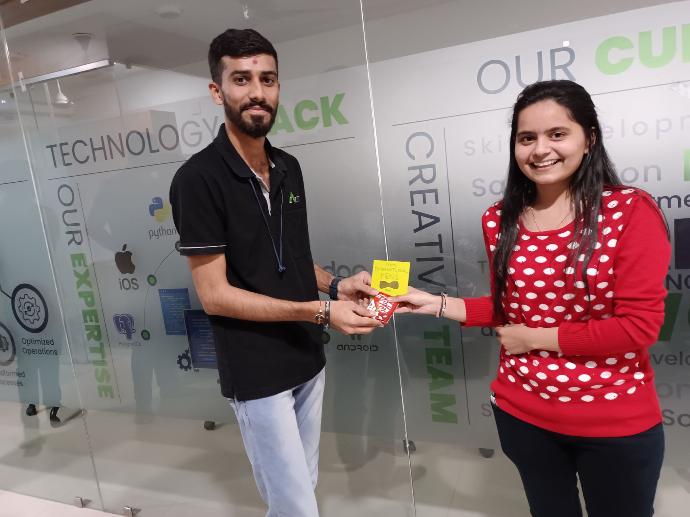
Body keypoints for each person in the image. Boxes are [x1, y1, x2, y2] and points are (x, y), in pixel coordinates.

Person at [392, 80, 669, 517]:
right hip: (523, 414)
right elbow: (510, 309)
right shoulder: (499, 219)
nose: (541, 150)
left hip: (612, 422)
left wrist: (536, 339)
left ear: (588, 138)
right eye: (527, 138)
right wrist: (435, 303)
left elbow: (639, 327)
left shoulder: (630, 210)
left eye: (557, 134)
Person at [169, 28, 381, 517]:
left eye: (267, 79)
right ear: (217, 91)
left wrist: (336, 286)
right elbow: (215, 295)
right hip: (256, 369)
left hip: (306, 357)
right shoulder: (197, 180)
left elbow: (290, 257)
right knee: (295, 505)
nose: (257, 92)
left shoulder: (288, 166)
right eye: (241, 79)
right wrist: (319, 311)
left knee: (303, 487)